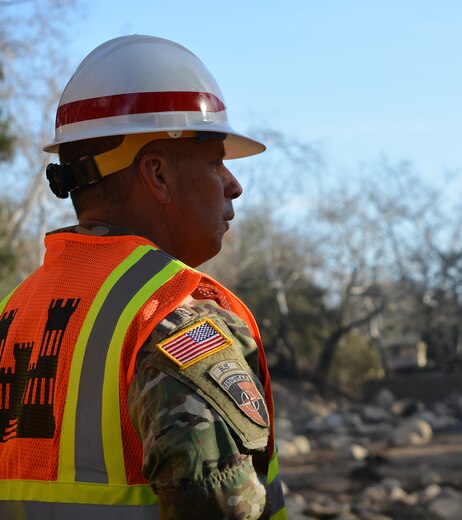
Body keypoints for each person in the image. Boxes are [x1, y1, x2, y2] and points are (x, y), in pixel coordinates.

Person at [0, 35, 287, 519]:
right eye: (216, 160)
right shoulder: (174, 316)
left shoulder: (17, 311)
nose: (233, 184)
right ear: (157, 175)